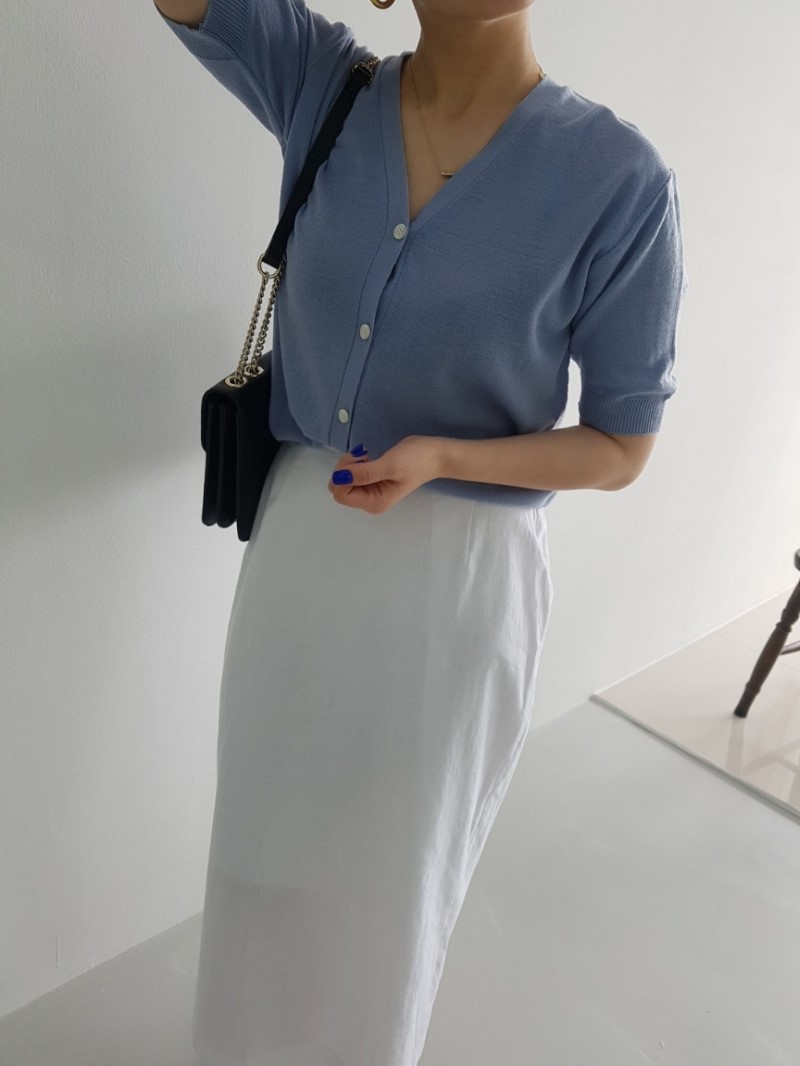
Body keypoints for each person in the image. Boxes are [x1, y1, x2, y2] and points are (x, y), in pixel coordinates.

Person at [152, 1, 688, 1064]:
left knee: (387, 893)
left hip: (460, 582)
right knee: (262, 856)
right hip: (302, 552)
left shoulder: (619, 180)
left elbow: (621, 446)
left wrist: (446, 456)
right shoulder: (325, 87)